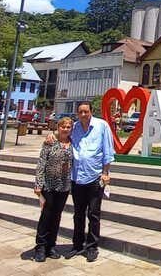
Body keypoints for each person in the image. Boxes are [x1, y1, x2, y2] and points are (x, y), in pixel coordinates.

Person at [45, 101, 114, 262]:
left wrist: (105, 172)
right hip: (77, 179)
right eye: (80, 112)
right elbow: (62, 134)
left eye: (86, 111)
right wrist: (51, 135)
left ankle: (92, 247)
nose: (83, 114)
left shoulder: (101, 126)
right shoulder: (74, 127)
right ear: (77, 113)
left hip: (95, 177)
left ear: (91, 112)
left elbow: (108, 151)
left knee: (94, 214)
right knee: (78, 214)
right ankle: (77, 245)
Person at [33, 117, 73, 262]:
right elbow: (41, 163)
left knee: (56, 216)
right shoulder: (50, 142)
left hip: (63, 186)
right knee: (46, 216)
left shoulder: (72, 143)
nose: (66, 129)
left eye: (68, 127)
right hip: (48, 185)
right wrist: (38, 183)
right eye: (63, 126)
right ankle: (41, 247)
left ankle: (51, 246)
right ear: (58, 127)